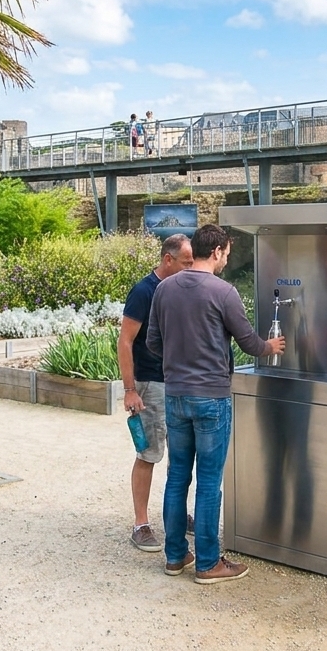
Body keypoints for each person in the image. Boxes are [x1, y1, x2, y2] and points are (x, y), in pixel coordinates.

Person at [146, 224, 285, 584]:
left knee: (177, 477)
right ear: (219, 251)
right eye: (226, 253)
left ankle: (175, 556)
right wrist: (271, 347)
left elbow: (152, 342)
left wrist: (178, 362)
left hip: (175, 395)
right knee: (209, 482)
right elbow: (249, 343)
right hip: (211, 398)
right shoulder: (223, 292)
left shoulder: (164, 289)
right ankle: (209, 563)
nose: (226, 259)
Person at [119, 234, 194, 552]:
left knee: (180, 454)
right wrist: (130, 390)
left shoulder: (180, 288)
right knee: (149, 454)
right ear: (168, 259)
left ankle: (176, 515)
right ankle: (141, 524)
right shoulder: (143, 291)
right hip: (150, 384)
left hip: (177, 381)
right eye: (186, 262)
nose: (191, 267)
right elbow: (124, 341)